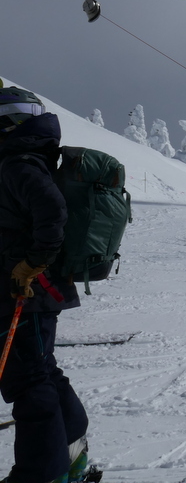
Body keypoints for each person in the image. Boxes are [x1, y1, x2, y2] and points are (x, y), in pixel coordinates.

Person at [0, 87, 90, 483]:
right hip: (38, 290)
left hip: (27, 292)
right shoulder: (30, 159)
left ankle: (41, 475)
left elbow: (52, 213)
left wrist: (29, 266)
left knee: (28, 381)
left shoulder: (18, 163)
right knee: (41, 371)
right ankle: (70, 452)